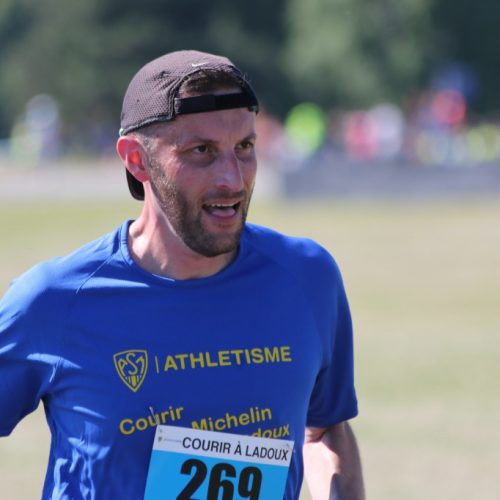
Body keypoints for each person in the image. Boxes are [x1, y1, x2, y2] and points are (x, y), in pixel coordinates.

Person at [0, 50, 364, 499]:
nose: (232, 179)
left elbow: (323, 429)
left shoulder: (307, 278)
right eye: (201, 152)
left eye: (244, 147)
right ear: (137, 160)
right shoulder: (56, 301)